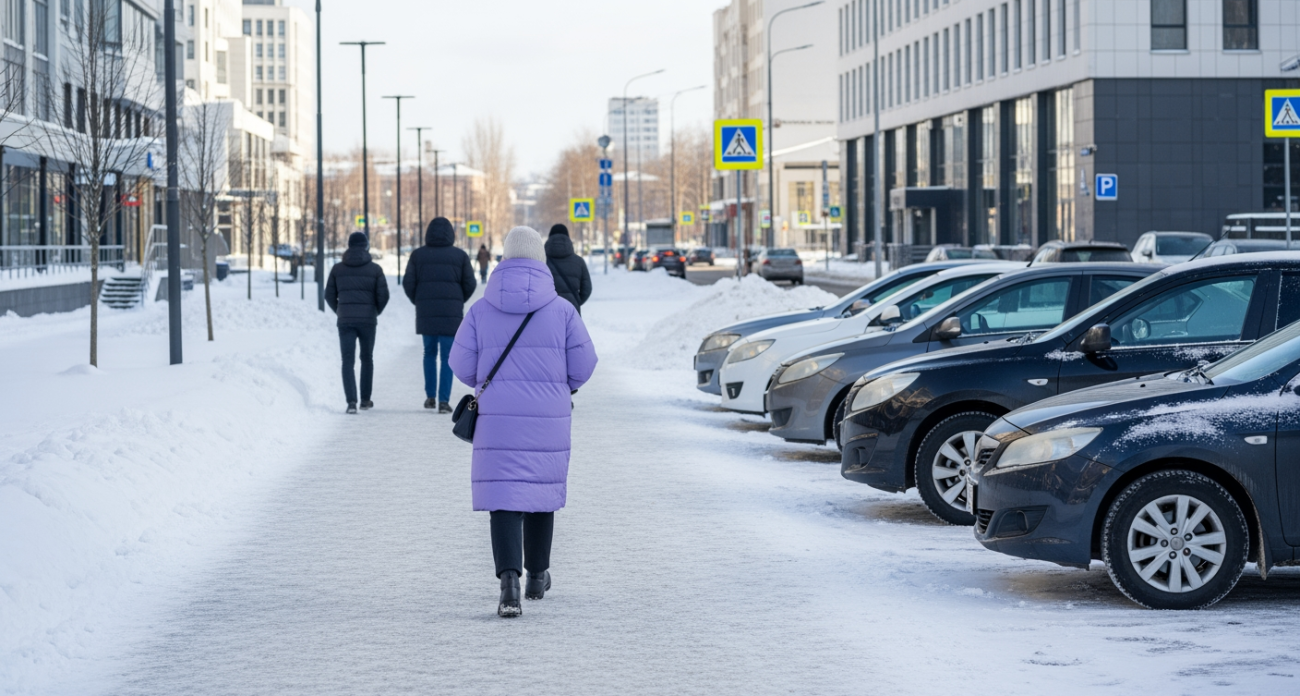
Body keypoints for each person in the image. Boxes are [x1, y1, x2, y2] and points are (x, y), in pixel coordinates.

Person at [450, 226, 598, 618]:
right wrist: (558, 386)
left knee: (504, 496)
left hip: (497, 419)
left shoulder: (481, 308)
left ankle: (509, 583)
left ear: (504, 258)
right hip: (547, 418)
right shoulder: (563, 310)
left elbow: (460, 364)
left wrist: (488, 382)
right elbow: (585, 366)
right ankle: (537, 575)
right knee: (539, 493)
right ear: (540, 260)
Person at [403, 217, 477, 412]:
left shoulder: (418, 256)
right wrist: (457, 300)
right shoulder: (459, 256)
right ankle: (444, 401)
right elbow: (470, 284)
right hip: (450, 315)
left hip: (426, 313)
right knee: (447, 357)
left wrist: (419, 300)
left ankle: (430, 397)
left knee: (428, 353)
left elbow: (408, 283)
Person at [325, 231, 389, 414]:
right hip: (368, 320)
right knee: (367, 358)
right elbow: (383, 295)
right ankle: (366, 400)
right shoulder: (375, 269)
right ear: (366, 246)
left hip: (345, 320)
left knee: (347, 361)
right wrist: (375, 311)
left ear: (349, 245)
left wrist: (340, 310)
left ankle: (351, 402)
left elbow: (328, 295)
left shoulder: (337, 269)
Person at [544, 224, 592, 313]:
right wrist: (576, 300)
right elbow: (587, 289)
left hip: (546, 309)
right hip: (571, 309)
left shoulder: (541, 261)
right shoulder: (579, 261)